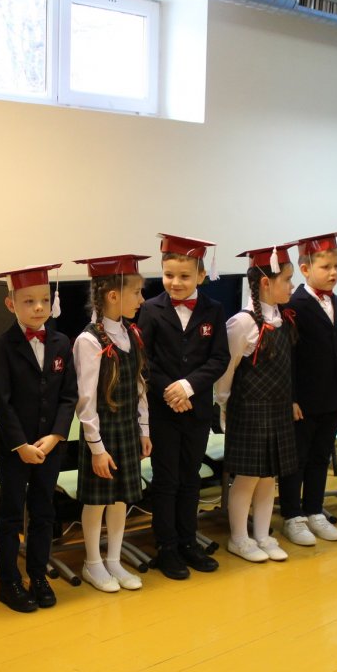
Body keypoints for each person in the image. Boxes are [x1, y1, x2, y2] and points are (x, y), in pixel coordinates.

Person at [0, 263, 77, 611]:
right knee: (10, 514)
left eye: (44, 300)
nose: (38, 307)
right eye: (28, 301)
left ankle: (38, 575)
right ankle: (9, 581)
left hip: (49, 448)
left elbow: (69, 396)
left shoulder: (61, 342)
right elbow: (0, 401)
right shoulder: (1, 346)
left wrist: (56, 436)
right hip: (15, 449)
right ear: (11, 304)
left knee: (43, 512)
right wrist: (20, 445)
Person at [137, 234, 228, 580]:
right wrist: (170, 390)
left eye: (184, 276)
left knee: (191, 477)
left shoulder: (214, 310)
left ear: (201, 276)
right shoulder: (150, 309)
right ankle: (167, 546)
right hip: (163, 411)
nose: (175, 282)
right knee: (166, 479)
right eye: (169, 274)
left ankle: (189, 541)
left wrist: (188, 387)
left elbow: (219, 358)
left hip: (197, 409)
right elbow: (144, 360)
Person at [216, 243, 301, 562]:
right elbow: (227, 370)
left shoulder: (281, 318)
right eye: (287, 279)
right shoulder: (242, 323)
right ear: (266, 282)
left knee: (269, 476)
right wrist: (224, 404)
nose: (291, 286)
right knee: (248, 477)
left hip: (277, 409)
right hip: (249, 410)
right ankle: (239, 537)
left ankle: (263, 535)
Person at [72, 255, 152, 592]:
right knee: (97, 501)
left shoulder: (131, 333)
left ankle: (115, 559)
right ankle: (93, 563)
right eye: (136, 292)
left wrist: (144, 429)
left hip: (127, 430)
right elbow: (86, 401)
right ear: (113, 295)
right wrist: (96, 448)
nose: (142, 299)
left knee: (120, 499)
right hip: (102, 434)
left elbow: (139, 384)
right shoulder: (89, 340)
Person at [278, 230, 337, 546]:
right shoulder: (293, 305)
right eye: (325, 267)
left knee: (320, 456)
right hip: (304, 401)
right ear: (305, 268)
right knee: (296, 459)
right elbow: (287, 357)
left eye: (336, 266)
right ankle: (292, 515)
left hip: (334, 399)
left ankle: (314, 510)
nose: (333, 272)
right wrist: (291, 398)